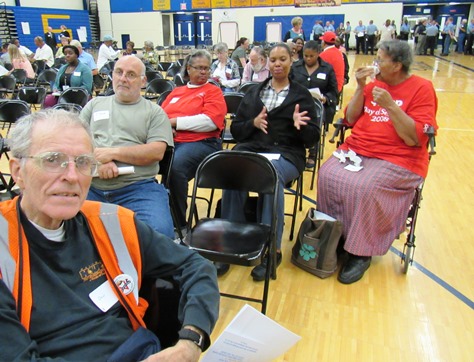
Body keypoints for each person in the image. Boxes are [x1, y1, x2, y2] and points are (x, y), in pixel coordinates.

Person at [0, 108, 219, 361]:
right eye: (52, 159)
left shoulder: (111, 222)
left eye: (83, 162)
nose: (72, 176)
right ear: (17, 172)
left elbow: (196, 266)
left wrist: (190, 342)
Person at [317, 40, 438, 284]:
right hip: (359, 149)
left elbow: (414, 138)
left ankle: (361, 252)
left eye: (380, 60)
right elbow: (350, 118)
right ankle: (337, 238)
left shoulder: (422, 88)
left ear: (397, 65)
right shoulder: (374, 85)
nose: (375, 64)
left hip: (400, 158)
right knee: (327, 174)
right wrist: (362, 88)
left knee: (365, 186)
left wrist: (391, 106)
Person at [221, 43, 320, 281]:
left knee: (269, 175)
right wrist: (252, 123)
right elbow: (236, 130)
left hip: (286, 155)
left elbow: (311, 139)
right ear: (267, 62)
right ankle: (230, 242)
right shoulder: (254, 93)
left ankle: (272, 250)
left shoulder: (301, 95)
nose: (277, 64)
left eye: (282, 59)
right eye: (273, 60)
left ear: (290, 61)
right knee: (232, 169)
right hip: (254, 149)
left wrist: (301, 127)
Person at [80, 56, 175, 238]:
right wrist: (98, 163)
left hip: (138, 188)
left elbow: (155, 152)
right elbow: (73, 143)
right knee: (58, 225)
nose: (123, 78)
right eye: (119, 72)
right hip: (90, 186)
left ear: (143, 81)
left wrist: (111, 154)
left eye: (131, 74)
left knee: (160, 234)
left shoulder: (154, 113)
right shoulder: (94, 105)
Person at [161, 49, 226, 235]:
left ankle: (179, 225)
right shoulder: (176, 92)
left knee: (174, 169)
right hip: (171, 141)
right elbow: (160, 116)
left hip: (203, 143)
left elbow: (210, 121)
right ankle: (154, 215)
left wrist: (175, 123)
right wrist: (165, 127)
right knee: (142, 162)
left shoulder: (213, 91)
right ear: (188, 69)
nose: (204, 72)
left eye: (207, 68)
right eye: (199, 68)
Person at [291, 40, 338, 167]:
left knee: (314, 119)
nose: (308, 58)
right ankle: (294, 148)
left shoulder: (327, 69)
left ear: (318, 54)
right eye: (306, 56)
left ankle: (313, 151)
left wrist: (326, 98)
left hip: (318, 106)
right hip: (297, 104)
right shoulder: (295, 67)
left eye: (311, 56)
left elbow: (333, 91)